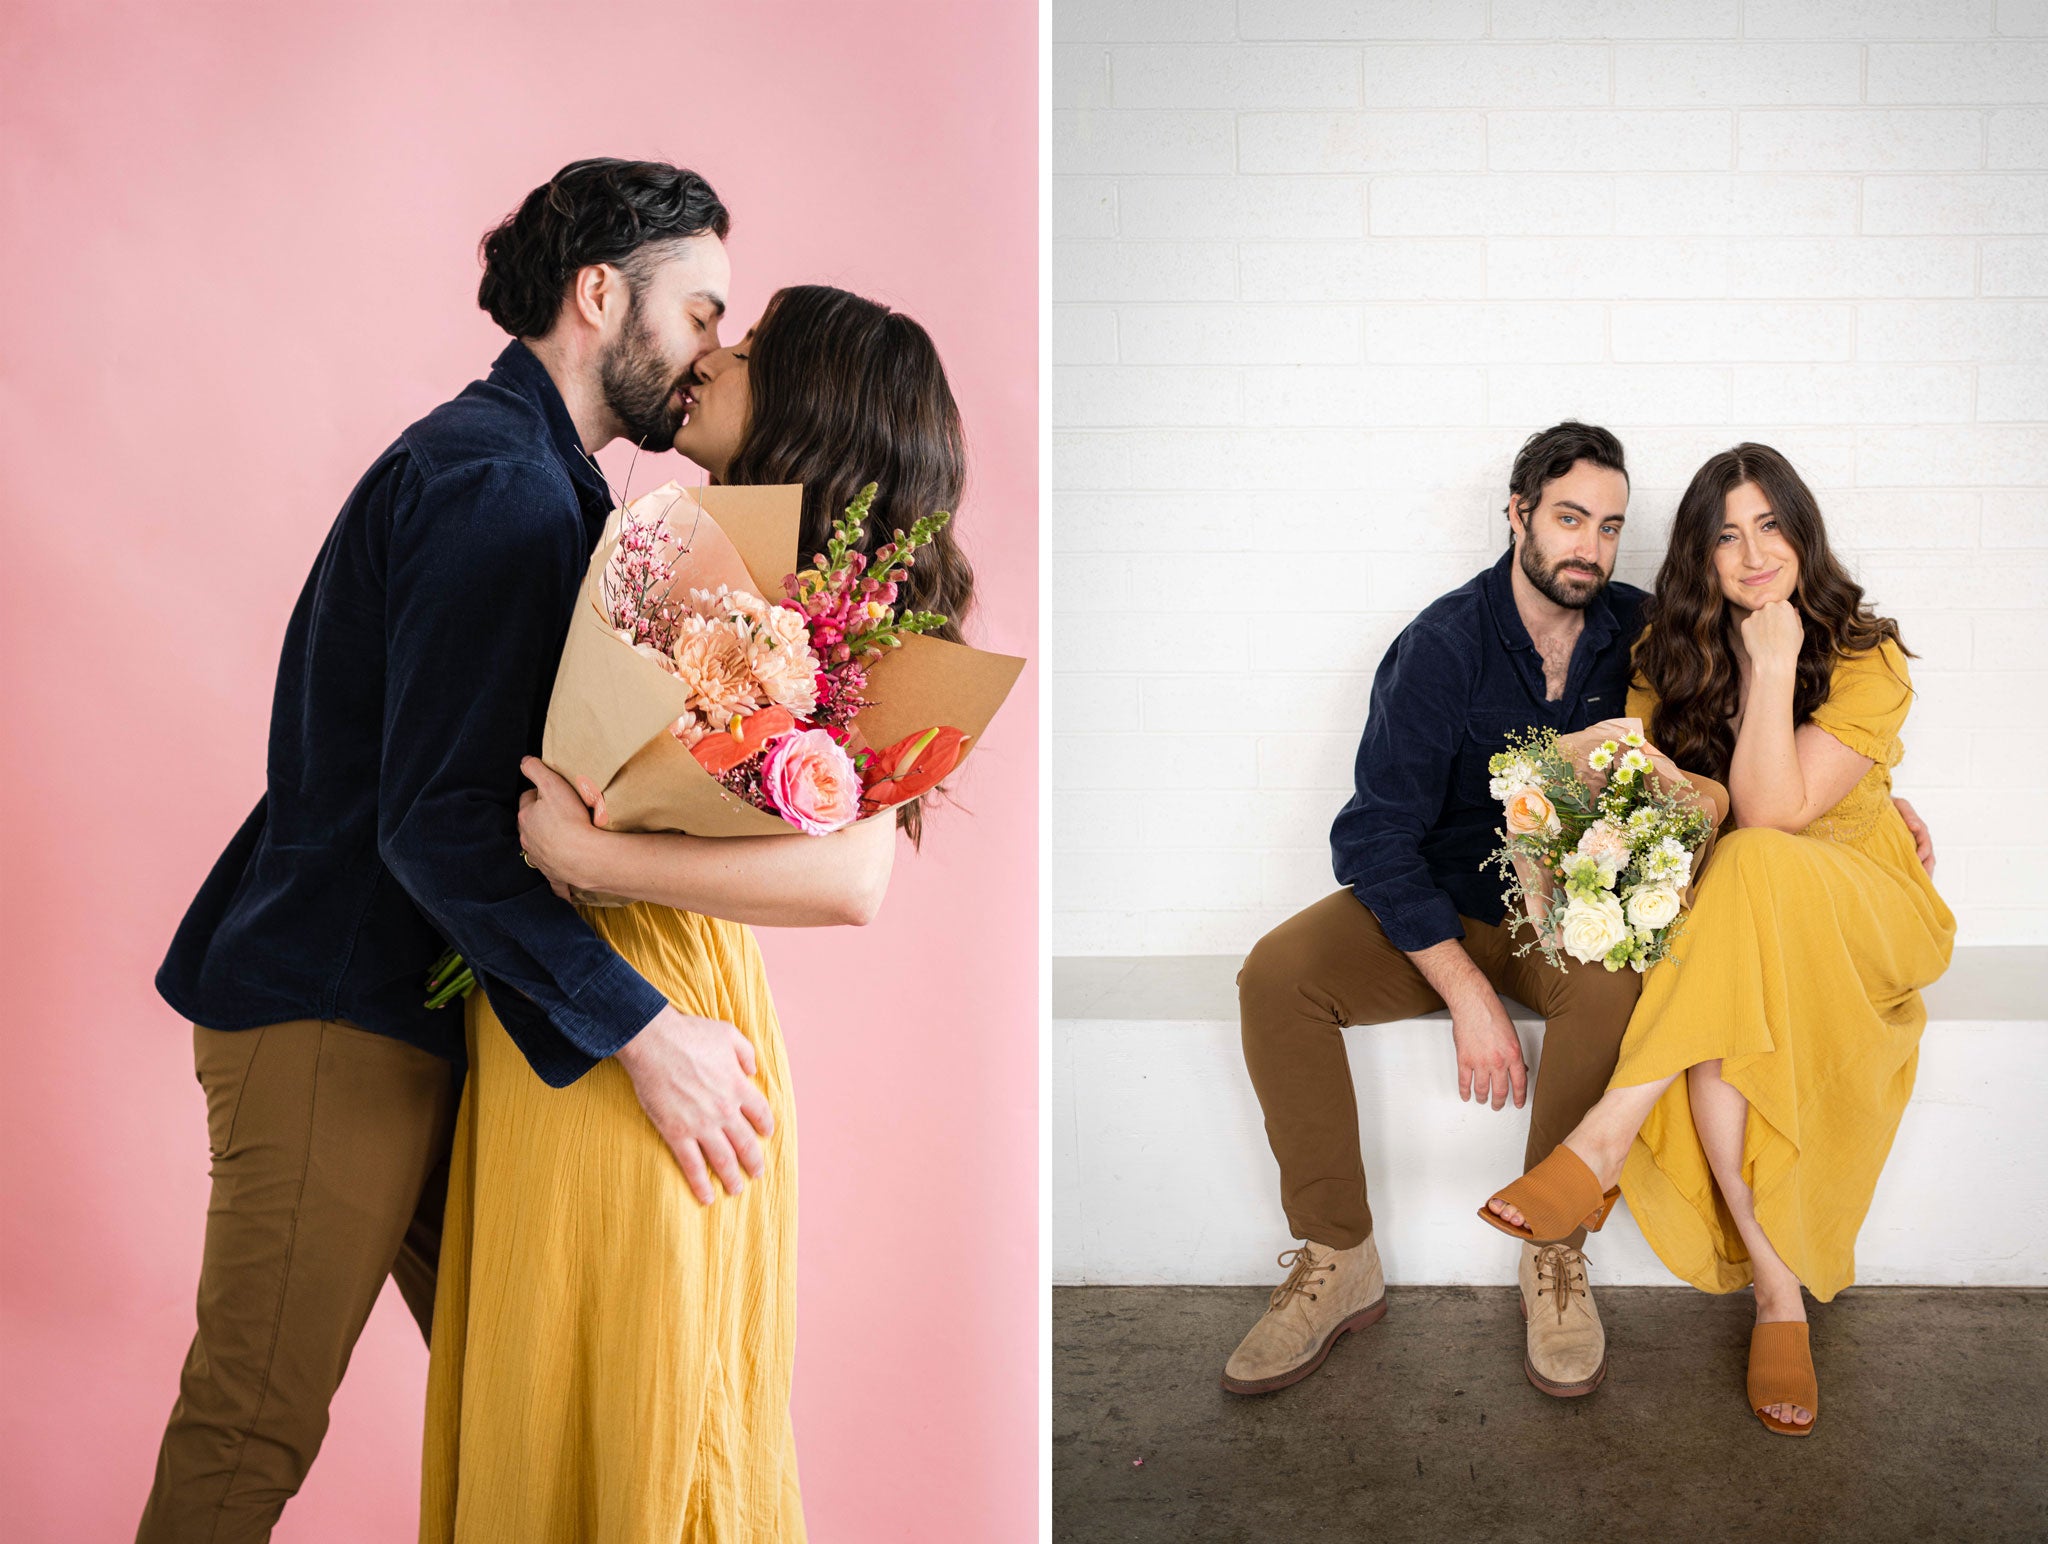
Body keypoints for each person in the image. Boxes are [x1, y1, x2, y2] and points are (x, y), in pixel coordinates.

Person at [138, 159, 756, 1543]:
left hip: (425, 1015)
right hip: (335, 1014)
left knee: (530, 1406)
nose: (714, 351)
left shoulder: (538, 479)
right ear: (602, 294)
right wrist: (644, 1031)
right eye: (702, 312)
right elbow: (436, 824)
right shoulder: (499, 490)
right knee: (251, 1430)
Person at [418, 285, 977, 1541]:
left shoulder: (816, 595)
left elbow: (850, 878)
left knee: (653, 1397)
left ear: (809, 402)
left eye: (753, 345)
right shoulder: (686, 547)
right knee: (553, 1380)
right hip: (564, 1001)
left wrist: (585, 854)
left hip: (649, 1017)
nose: (713, 352)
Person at [1223, 423, 1933, 1405]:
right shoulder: (1463, 646)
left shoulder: (1639, 630)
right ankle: (1335, 1252)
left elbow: (1746, 794)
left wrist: (1867, 793)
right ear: (1515, 515)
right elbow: (1373, 834)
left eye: (1607, 526)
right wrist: (1464, 991)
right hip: (1447, 902)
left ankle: (1554, 1249)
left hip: (1597, 909)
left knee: (1622, 974)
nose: (1587, 547)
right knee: (1275, 972)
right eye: (1567, 518)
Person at [1480, 443, 1955, 1437]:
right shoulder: (1666, 657)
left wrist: (1776, 663)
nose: (1750, 554)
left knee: (1750, 865)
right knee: (1731, 945)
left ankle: (1600, 1140)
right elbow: (1683, 811)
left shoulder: (1864, 652)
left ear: (1801, 530)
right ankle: (1776, 1296)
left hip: (1863, 905)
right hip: (1740, 918)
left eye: (1769, 525)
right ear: (1696, 557)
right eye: (1724, 535)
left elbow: (1774, 813)